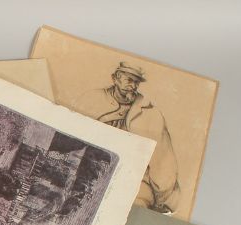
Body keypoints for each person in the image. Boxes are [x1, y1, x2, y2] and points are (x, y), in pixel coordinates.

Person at [73, 62, 180, 214]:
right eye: (129, 80)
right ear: (115, 78)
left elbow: (164, 160)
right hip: (89, 172)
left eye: (136, 82)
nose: (133, 86)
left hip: (133, 181)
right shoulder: (91, 99)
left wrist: (163, 201)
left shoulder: (151, 114)